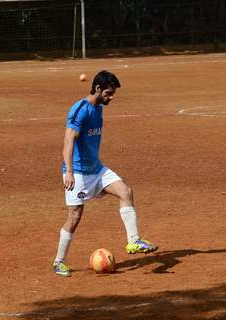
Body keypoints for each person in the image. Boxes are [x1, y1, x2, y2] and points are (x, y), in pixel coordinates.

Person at [53, 70, 157, 277]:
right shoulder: (80, 110)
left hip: (97, 169)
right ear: (98, 88)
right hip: (79, 172)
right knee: (75, 217)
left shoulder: (99, 107)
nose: (111, 98)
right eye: (109, 93)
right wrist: (70, 173)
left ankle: (133, 241)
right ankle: (59, 262)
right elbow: (68, 140)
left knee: (125, 191)